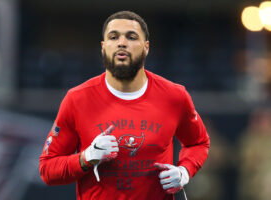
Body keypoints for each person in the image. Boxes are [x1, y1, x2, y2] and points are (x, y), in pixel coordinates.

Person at [39, 11, 210, 200]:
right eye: (113, 37)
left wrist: (184, 171)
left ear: (146, 48)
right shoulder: (77, 99)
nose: (122, 42)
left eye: (131, 37)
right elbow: (47, 170)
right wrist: (86, 158)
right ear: (103, 48)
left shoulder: (174, 96)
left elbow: (199, 142)